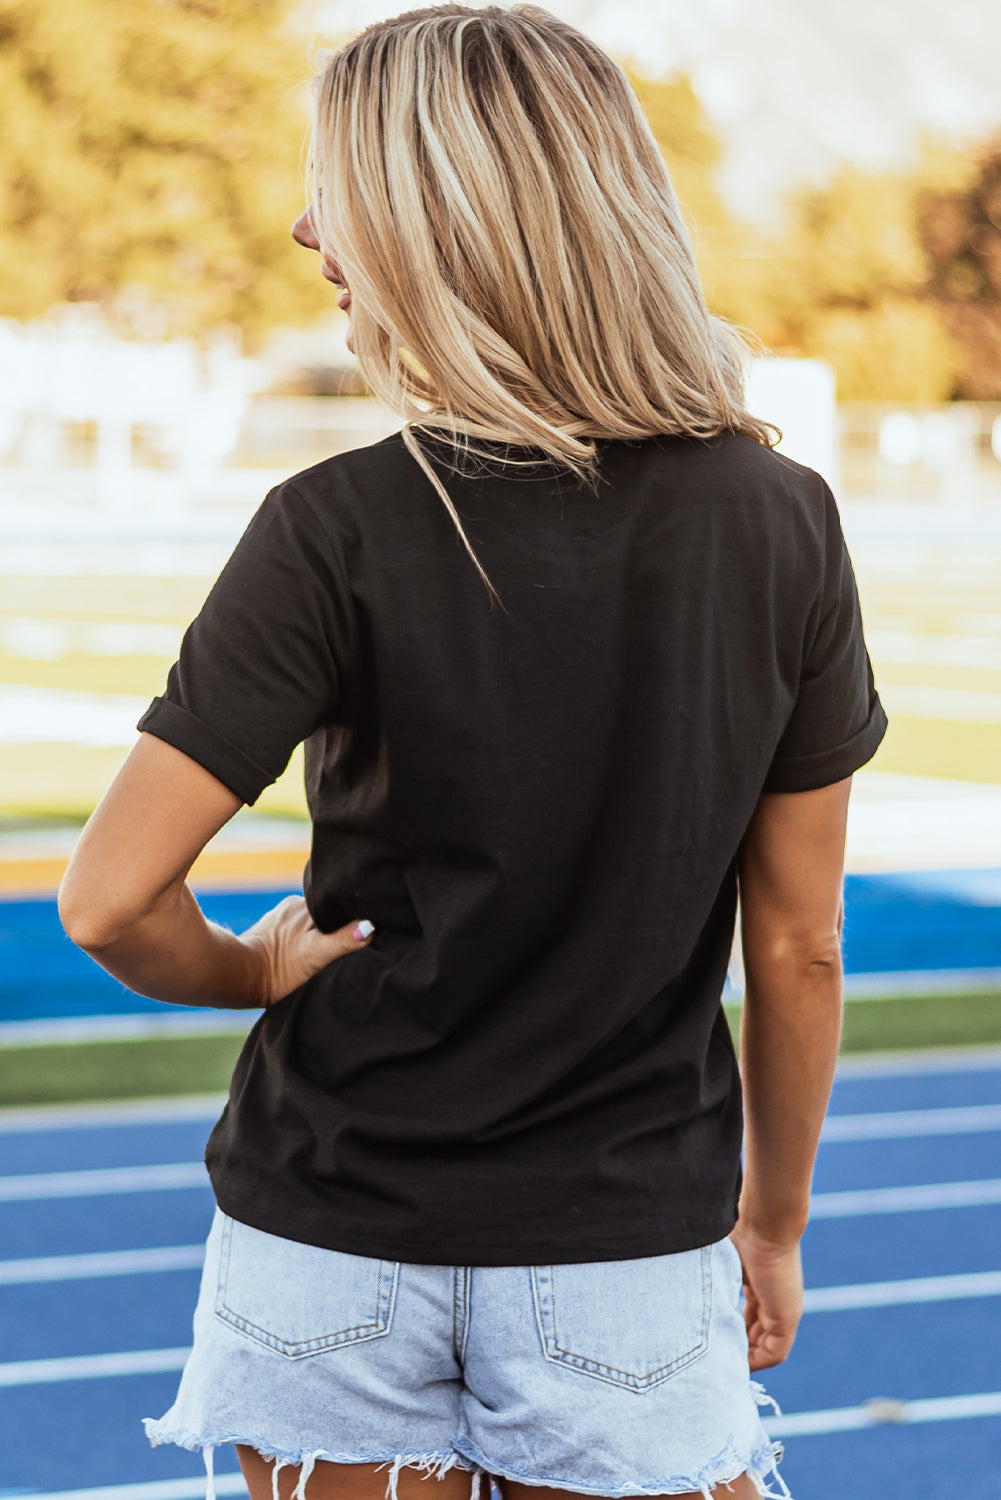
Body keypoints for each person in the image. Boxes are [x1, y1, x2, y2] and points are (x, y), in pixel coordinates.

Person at [57, 7, 887, 1500]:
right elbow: (802, 942)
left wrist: (247, 971)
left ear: (451, 222)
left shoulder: (332, 525)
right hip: (626, 1247)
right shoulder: (781, 523)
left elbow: (109, 900)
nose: (308, 228)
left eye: (344, 189)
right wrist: (772, 1222)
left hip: (324, 1236)